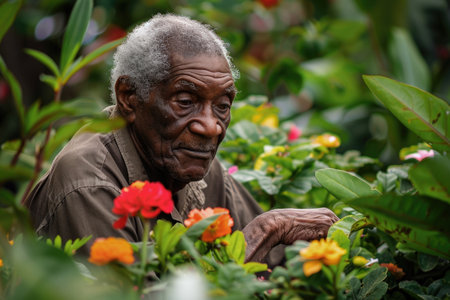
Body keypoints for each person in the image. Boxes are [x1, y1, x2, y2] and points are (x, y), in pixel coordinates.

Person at [25, 14, 338, 265]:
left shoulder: (191, 163)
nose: (211, 127)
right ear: (129, 98)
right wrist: (262, 232)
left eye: (223, 106)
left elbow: (282, 265)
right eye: (185, 101)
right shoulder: (89, 183)